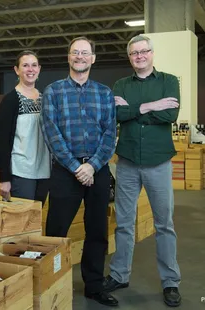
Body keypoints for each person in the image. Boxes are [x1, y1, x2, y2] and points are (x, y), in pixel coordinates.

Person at [103, 35, 182, 307]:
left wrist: (133, 110)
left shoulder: (169, 81)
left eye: (144, 51)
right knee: (124, 223)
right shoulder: (121, 85)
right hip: (126, 163)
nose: (140, 56)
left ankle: (170, 281)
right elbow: (117, 115)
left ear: (152, 53)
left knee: (164, 225)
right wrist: (151, 106)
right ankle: (119, 274)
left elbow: (169, 116)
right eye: (134, 53)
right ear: (130, 57)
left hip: (158, 162)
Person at [41, 37, 118, 307]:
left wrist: (92, 166)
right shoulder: (53, 91)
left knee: (97, 230)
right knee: (56, 231)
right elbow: (52, 134)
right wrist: (76, 167)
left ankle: (94, 287)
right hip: (65, 171)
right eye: (76, 53)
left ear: (93, 58)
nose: (80, 57)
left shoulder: (104, 93)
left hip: (97, 170)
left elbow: (110, 134)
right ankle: (51, 284)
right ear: (69, 57)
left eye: (85, 53)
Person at [0, 50, 50, 205]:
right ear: (17, 70)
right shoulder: (10, 100)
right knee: (22, 221)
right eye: (25, 65)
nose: (30, 69)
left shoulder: (45, 99)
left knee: (35, 219)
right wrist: (4, 178)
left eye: (34, 65)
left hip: (44, 170)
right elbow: (3, 142)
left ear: (39, 69)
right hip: (21, 171)